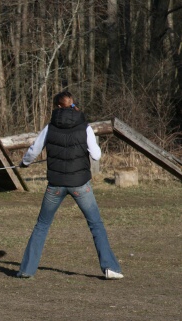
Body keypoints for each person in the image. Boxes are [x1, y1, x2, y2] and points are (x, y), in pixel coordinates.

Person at [17, 91, 123, 280]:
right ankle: (110, 268)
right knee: (96, 224)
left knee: (42, 225)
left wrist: (24, 163)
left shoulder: (50, 127)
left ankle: (26, 270)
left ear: (57, 107)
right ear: (72, 104)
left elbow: (33, 151)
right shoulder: (85, 127)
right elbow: (97, 155)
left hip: (55, 185)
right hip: (80, 184)